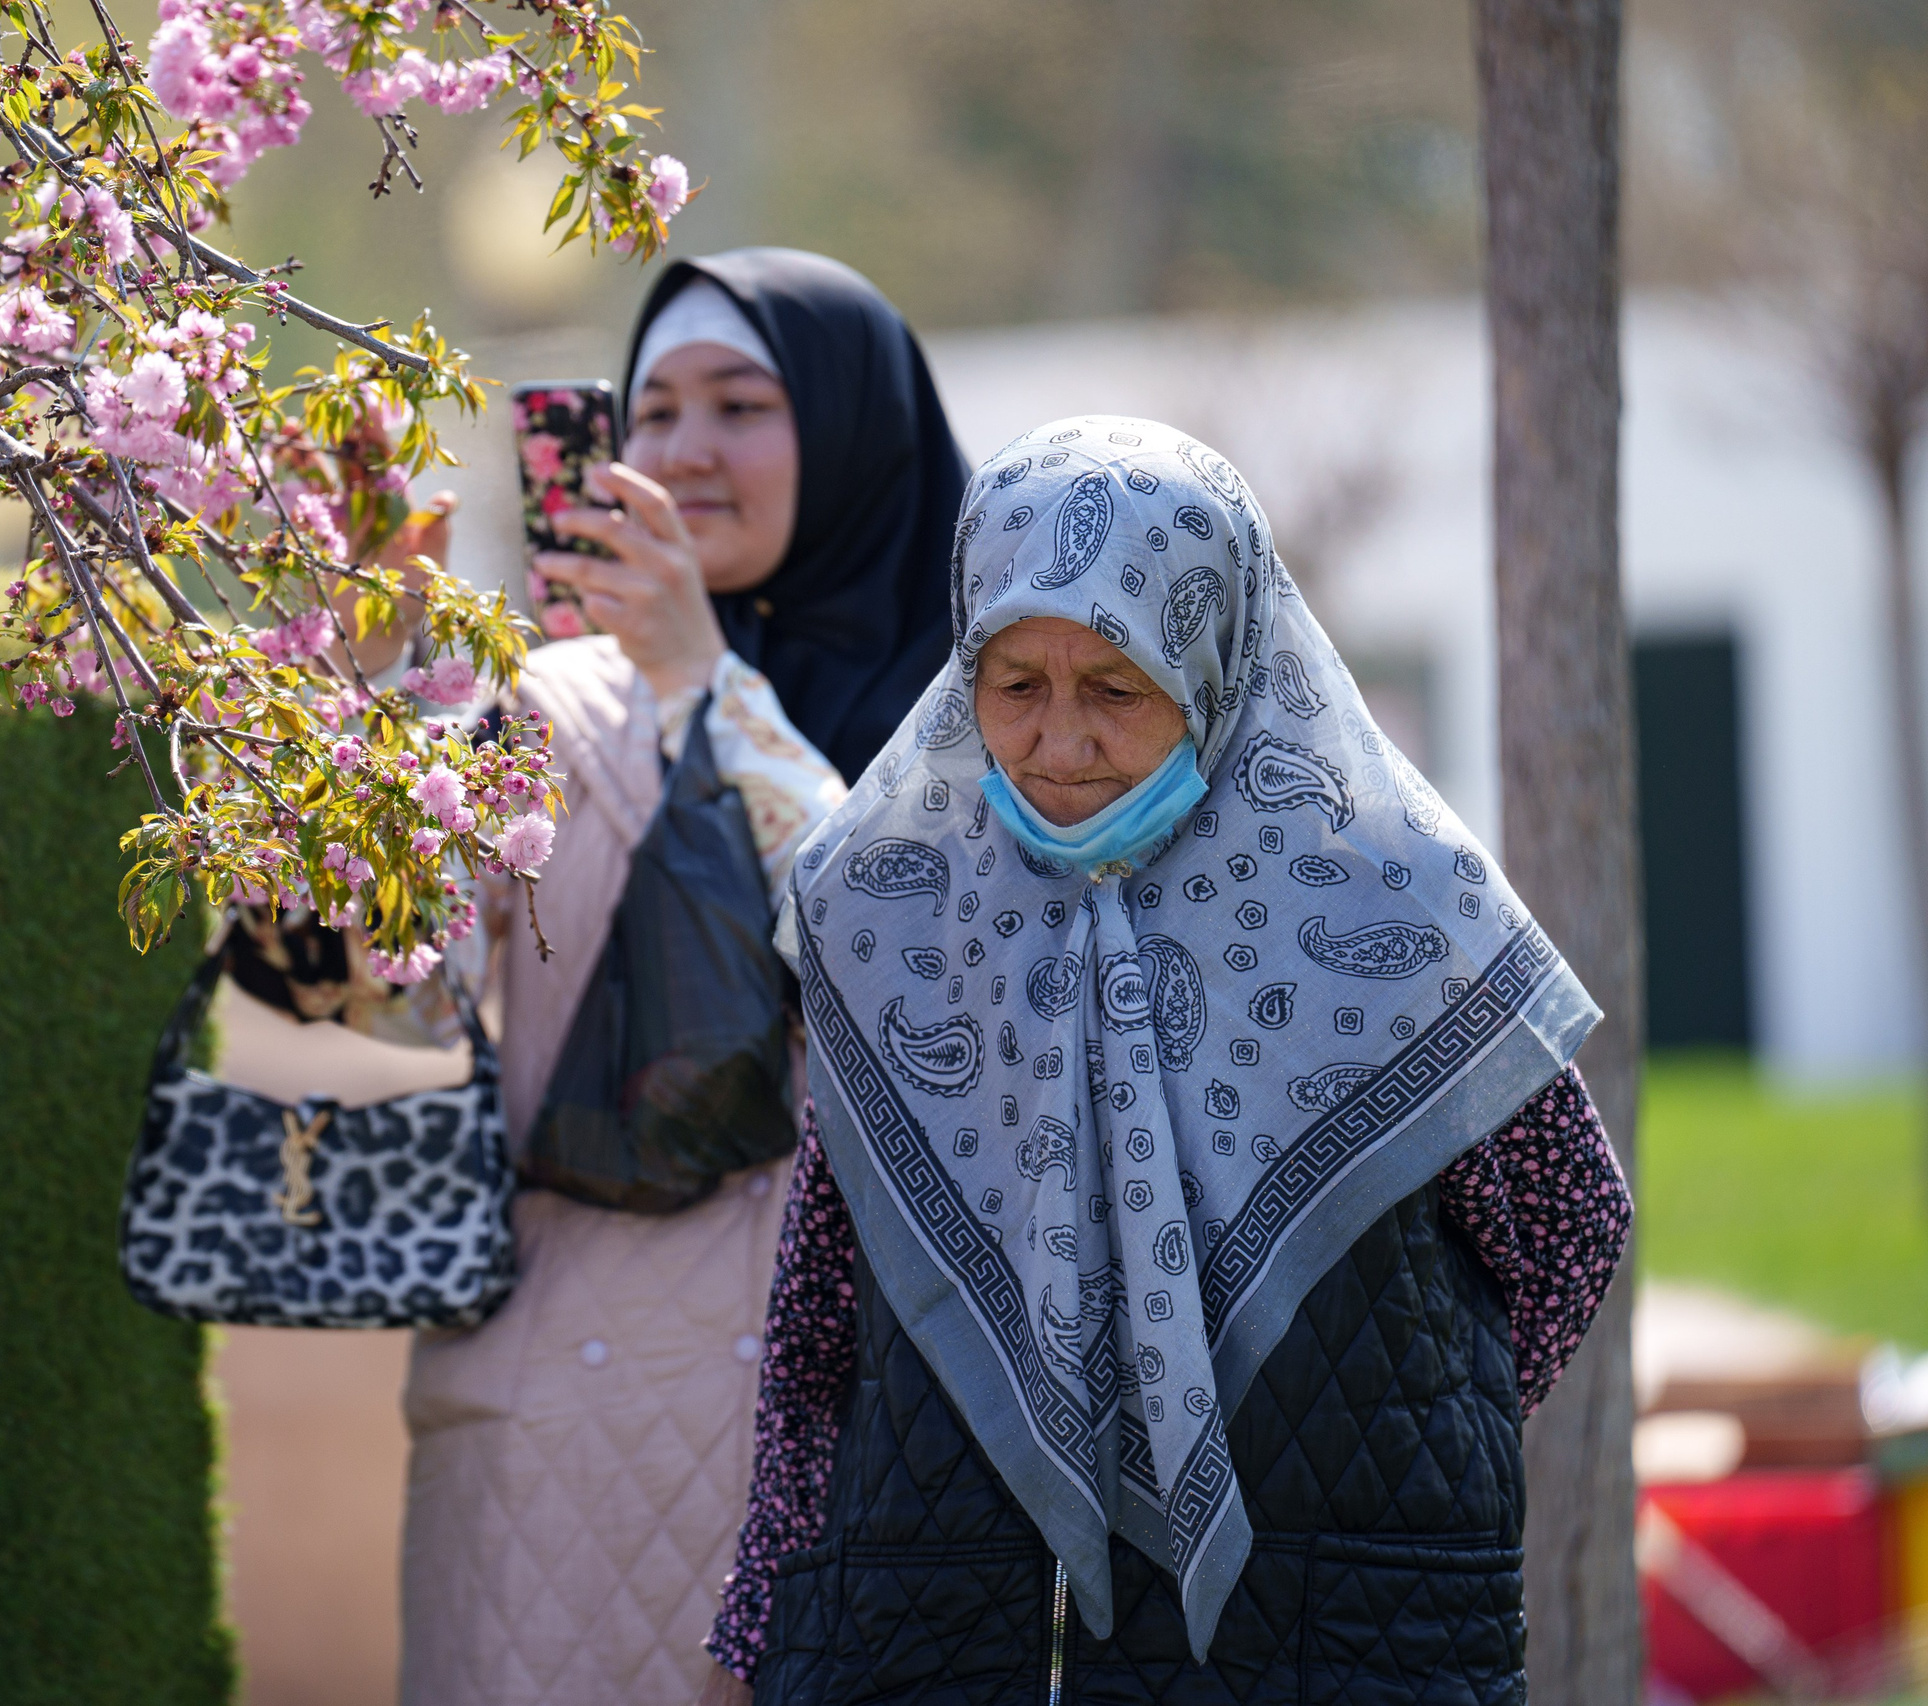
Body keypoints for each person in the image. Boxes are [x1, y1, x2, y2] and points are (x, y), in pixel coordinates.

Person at [696, 416, 1634, 1704]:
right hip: (936, 1636)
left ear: (1216, 665)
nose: (1059, 744)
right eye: (1015, 685)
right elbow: (816, 1319)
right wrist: (759, 1626)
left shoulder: (1400, 909)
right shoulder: (889, 907)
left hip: (1340, 1639)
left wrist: (1402, 1444)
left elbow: (1571, 1224)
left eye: (1118, 687)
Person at [387, 249, 971, 1706]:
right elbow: (389, 999)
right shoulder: (540, 704)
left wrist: (713, 687)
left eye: (741, 402)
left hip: (868, 1455)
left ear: (849, 428)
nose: (686, 449)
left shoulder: (997, 702)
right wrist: (387, 683)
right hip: (552, 1463)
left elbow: (927, 984)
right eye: (653, 410)